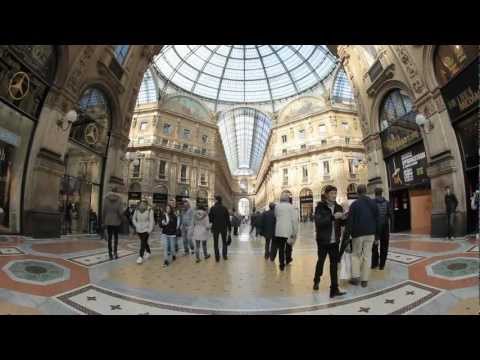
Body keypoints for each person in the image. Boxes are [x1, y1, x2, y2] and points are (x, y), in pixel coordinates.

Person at [313, 185, 347, 298]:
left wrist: (344, 219)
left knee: (334, 265)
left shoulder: (338, 207)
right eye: (332, 193)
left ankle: (334, 289)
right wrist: (333, 217)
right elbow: (319, 223)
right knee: (321, 262)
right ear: (326, 194)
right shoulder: (320, 207)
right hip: (323, 241)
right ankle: (316, 279)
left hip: (334, 242)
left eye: (335, 193)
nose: (334, 195)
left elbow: (341, 224)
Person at [348, 184, 378, 287]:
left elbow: (350, 222)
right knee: (367, 256)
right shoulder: (373, 204)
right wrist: (377, 236)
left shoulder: (354, 205)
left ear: (357, 192)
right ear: (366, 191)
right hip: (371, 233)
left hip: (357, 234)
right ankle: (364, 280)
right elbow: (378, 220)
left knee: (356, 255)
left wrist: (348, 234)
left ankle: (355, 278)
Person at [271, 193, 298, 271]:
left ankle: (281, 265)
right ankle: (288, 259)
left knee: (281, 248)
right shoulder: (292, 207)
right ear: (288, 199)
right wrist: (295, 231)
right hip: (289, 230)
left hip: (279, 230)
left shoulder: (277, 207)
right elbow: (294, 220)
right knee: (289, 246)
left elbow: (276, 216)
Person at [371, 188, 391, 270]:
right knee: (384, 246)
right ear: (382, 193)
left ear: (374, 193)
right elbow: (390, 214)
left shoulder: (371, 203)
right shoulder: (387, 202)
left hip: (375, 228)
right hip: (385, 227)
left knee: (374, 246)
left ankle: (374, 263)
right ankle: (382, 264)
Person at [102, 187, 125, 260]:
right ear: (117, 191)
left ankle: (110, 253)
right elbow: (120, 212)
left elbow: (104, 210)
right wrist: (122, 219)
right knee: (116, 237)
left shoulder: (106, 198)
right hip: (116, 221)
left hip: (108, 220)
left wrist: (103, 220)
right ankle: (115, 252)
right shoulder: (119, 199)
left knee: (109, 238)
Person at [208, 195, 231, 262]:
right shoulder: (225, 208)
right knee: (224, 242)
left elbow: (210, 219)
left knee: (215, 242)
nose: (214, 200)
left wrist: (215, 220)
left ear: (217, 200)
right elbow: (228, 220)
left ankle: (217, 257)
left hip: (215, 227)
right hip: (223, 227)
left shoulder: (212, 208)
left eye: (214, 199)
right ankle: (224, 255)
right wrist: (229, 229)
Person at [132, 200, 155, 265]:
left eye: (143, 204)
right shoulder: (137, 210)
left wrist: (149, 230)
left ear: (146, 205)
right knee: (144, 242)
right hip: (139, 229)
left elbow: (151, 221)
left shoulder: (150, 210)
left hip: (146, 229)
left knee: (142, 242)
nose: (142, 205)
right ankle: (148, 251)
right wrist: (136, 225)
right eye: (141, 204)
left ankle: (140, 257)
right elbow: (133, 219)